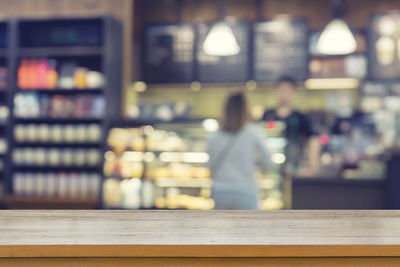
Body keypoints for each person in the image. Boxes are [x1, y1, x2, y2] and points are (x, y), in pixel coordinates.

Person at [207, 92, 271, 210]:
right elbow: (268, 161)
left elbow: (210, 166)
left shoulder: (215, 136)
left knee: (223, 228)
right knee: (249, 227)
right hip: (246, 191)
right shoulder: (253, 132)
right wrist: (255, 162)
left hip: (221, 192)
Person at [262, 76, 320, 175]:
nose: (284, 94)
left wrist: (312, 166)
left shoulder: (300, 117)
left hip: (294, 169)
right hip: (270, 169)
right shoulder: (267, 115)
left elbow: (313, 139)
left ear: (293, 93)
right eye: (281, 90)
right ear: (275, 92)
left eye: (287, 90)